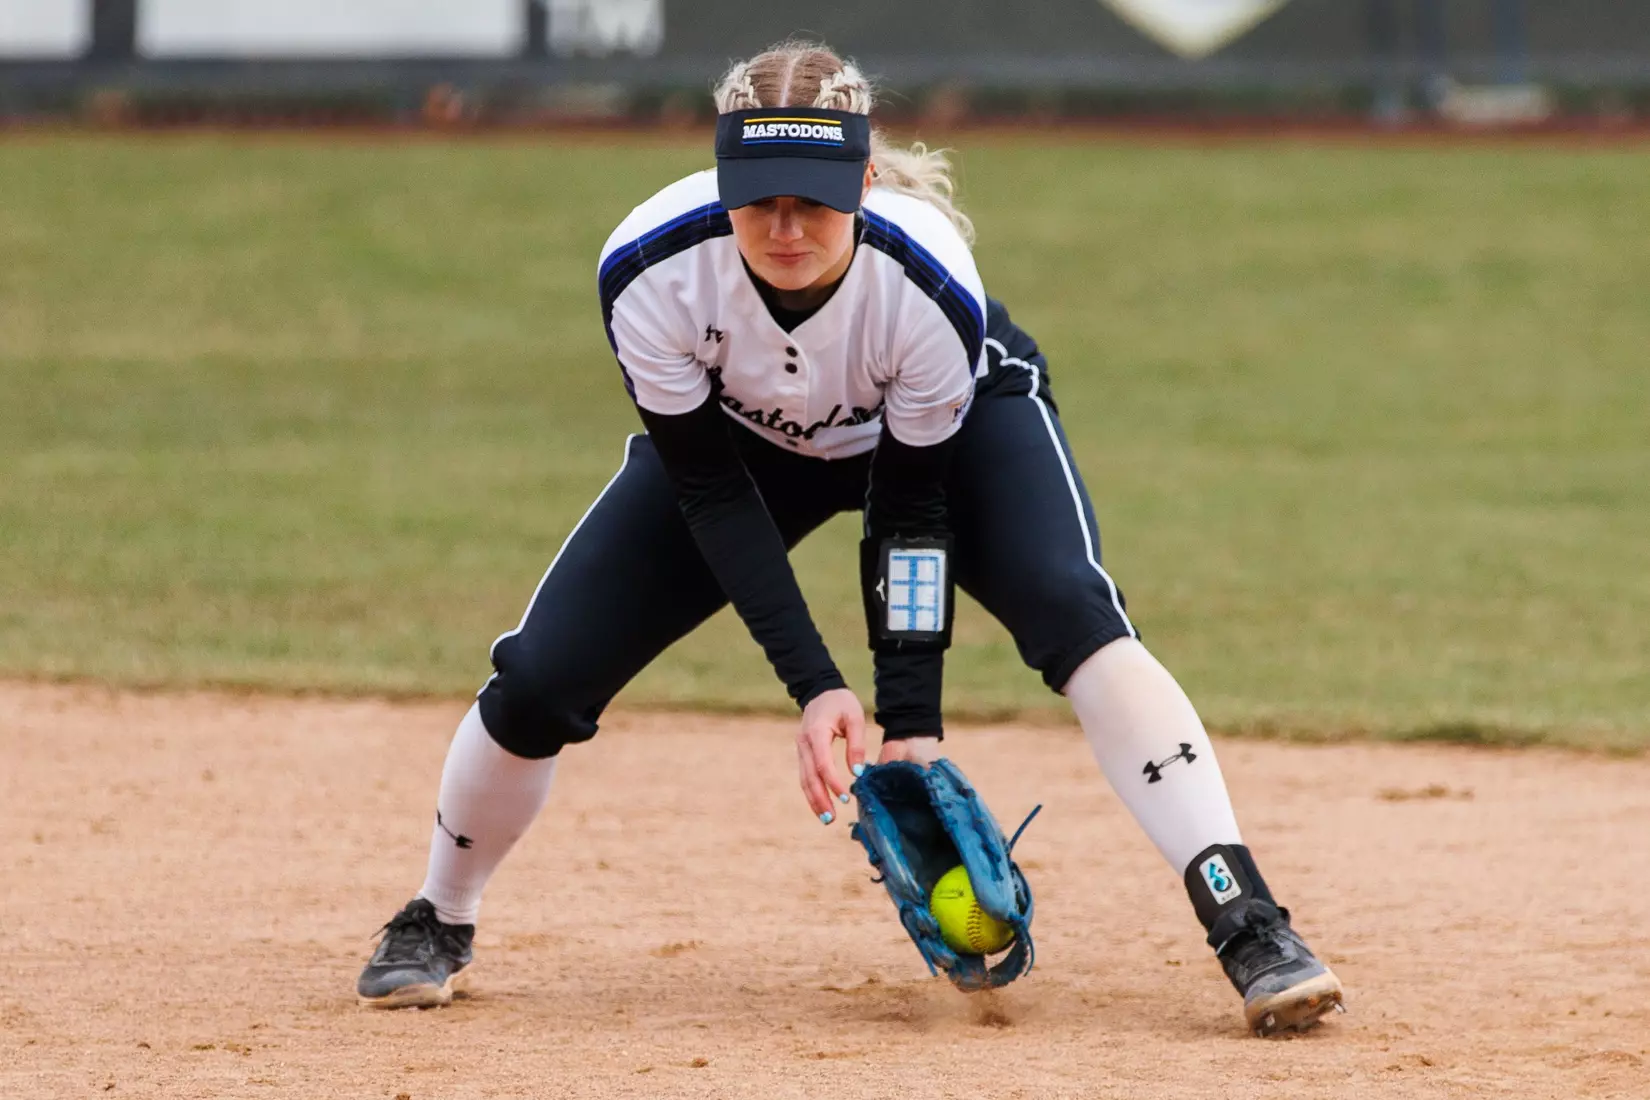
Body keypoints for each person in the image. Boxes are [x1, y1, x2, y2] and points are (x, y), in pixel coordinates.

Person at [356, 39, 1345, 1036]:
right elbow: (710, 496)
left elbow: (910, 508)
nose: (786, 228)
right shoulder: (651, 268)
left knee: (1071, 607)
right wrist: (817, 686)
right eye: (759, 198)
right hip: (742, 451)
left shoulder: (923, 285)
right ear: (719, 176)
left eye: (816, 199)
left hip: (950, 431)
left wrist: (910, 715)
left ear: (866, 180)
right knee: (539, 676)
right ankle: (438, 913)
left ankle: (1248, 917)